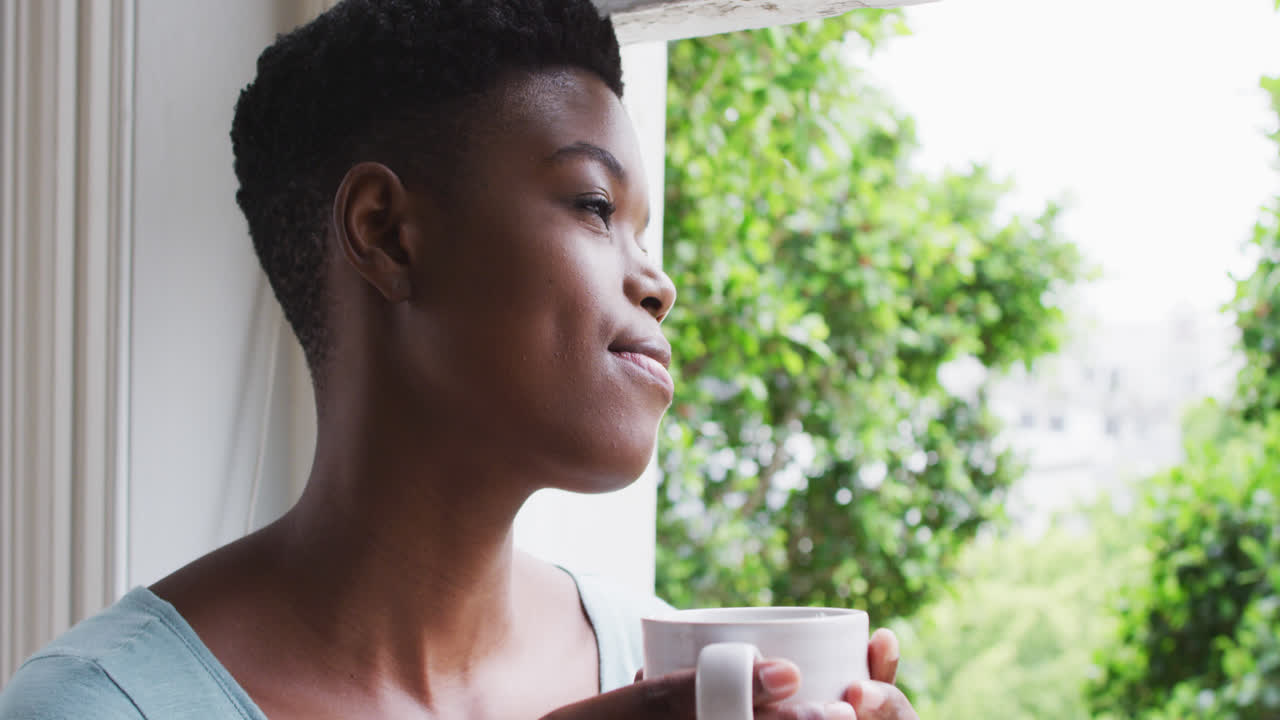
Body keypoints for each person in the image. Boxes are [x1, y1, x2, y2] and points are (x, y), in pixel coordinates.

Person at [0, 1, 920, 718]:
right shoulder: (97, 708)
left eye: (644, 228)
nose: (657, 283)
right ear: (387, 235)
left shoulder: (656, 665)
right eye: (597, 207)